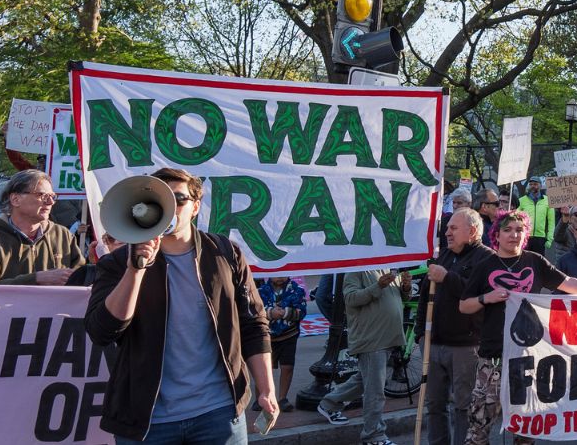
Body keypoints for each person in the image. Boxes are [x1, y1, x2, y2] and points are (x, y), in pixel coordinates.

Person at [85, 167, 276, 444]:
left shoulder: (225, 253)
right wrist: (135, 270)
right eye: (159, 201)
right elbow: (102, 331)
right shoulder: (117, 264)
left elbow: (253, 323)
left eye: (179, 199)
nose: (169, 208)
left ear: (196, 207)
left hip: (218, 413)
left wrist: (266, 388)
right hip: (148, 419)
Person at [459, 210, 577, 445]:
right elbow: (464, 305)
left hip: (526, 358)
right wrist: (487, 298)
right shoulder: (485, 266)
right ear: (497, 235)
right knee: (479, 426)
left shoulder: (534, 261)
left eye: (519, 230)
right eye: (507, 230)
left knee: (526, 428)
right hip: (493, 358)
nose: (514, 235)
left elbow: (568, 283)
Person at [0, 169, 85, 301]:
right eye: (42, 195)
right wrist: (36, 279)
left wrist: (95, 264)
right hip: (5, 315)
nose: (50, 202)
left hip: (55, 314)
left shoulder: (62, 235)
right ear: (15, 199)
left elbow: (82, 280)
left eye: (52, 196)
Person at [315, 268, 407, 445]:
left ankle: (329, 404)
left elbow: (397, 297)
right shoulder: (356, 270)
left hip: (388, 337)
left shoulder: (389, 267)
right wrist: (378, 286)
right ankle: (373, 435)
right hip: (372, 339)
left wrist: (405, 288)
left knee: (366, 379)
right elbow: (350, 299)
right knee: (375, 390)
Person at [425, 208, 492, 445]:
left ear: (472, 231)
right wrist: (421, 334)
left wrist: (447, 278)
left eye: (453, 228)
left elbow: (481, 297)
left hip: (466, 345)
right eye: (447, 228)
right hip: (434, 343)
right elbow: (426, 295)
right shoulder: (443, 254)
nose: (447, 232)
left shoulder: (487, 258)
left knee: (464, 406)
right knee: (434, 404)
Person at [256, 277, 308, 413]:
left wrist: (285, 313)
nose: (279, 277)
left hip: (289, 335)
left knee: (287, 367)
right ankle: (261, 396)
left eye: (282, 274)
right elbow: (255, 311)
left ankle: (282, 398)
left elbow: (302, 312)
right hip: (267, 336)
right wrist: (270, 313)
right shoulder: (261, 291)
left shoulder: (296, 290)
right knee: (263, 367)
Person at [518, 179, 554, 254]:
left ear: (540, 185)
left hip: (540, 238)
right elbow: (516, 218)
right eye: (530, 184)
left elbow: (551, 221)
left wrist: (549, 239)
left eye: (535, 184)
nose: (532, 186)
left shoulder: (548, 201)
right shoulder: (521, 200)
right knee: (525, 259)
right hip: (525, 236)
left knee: (538, 260)